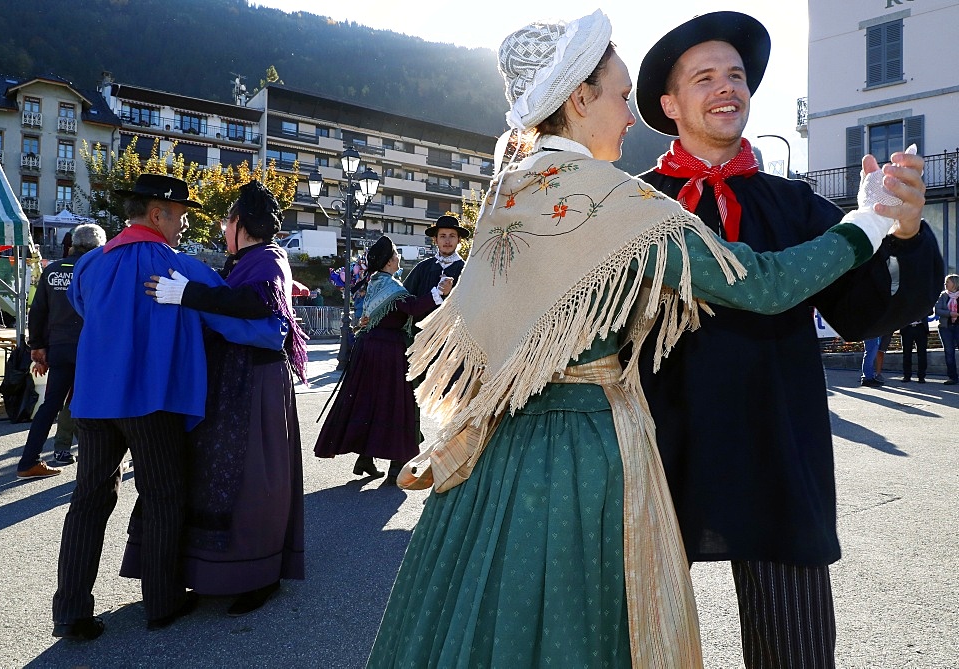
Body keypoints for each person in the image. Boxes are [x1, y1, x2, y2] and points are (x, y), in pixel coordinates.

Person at [367, 11, 911, 667]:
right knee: (587, 629)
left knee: (494, 621)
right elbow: (763, 285)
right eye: (622, 96)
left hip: (504, 456)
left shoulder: (511, 190)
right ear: (578, 99)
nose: (630, 118)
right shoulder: (611, 201)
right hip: (585, 450)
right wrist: (869, 222)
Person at [633, 11, 944, 667]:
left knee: (795, 653)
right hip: (653, 457)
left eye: (736, 75)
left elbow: (863, 310)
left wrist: (908, 233)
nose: (727, 88)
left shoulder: (796, 205)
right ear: (669, 102)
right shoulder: (630, 206)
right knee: (634, 646)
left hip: (775, 454)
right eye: (705, 76)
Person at [52, 174, 285, 640]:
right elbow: (244, 327)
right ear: (157, 213)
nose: (182, 227)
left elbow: (84, 307)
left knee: (88, 500)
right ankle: (162, 603)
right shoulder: (181, 267)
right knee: (163, 496)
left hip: (95, 398)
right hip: (153, 399)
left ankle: (71, 611)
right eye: (179, 216)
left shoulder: (90, 264)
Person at [124, 180, 309, 616]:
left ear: (241, 223)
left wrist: (188, 294)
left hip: (257, 384)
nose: (224, 228)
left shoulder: (268, 258)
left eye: (228, 219)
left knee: (254, 481)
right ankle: (209, 572)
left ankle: (259, 574)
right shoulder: (246, 259)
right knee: (215, 476)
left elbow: (253, 306)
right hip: (231, 382)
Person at [315, 235, 452, 481]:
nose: (399, 257)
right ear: (390, 261)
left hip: (369, 350)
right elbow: (412, 308)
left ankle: (366, 458)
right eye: (397, 253)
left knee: (371, 403)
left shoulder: (376, 281)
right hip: (388, 352)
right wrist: (439, 292)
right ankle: (397, 465)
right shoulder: (391, 286)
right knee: (396, 405)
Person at [15, 223, 106, 480]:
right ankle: (97, 465)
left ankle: (28, 461)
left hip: (59, 347)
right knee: (94, 404)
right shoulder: (97, 269)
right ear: (99, 247)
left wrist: (38, 347)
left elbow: (38, 311)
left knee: (51, 405)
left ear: (72, 243)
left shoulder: (52, 269)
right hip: (91, 349)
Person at [402, 214, 467, 300]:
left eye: (452, 236)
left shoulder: (466, 271)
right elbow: (404, 298)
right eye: (443, 236)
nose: (447, 241)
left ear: (459, 239)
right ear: (435, 240)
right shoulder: (422, 268)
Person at [935, 274, 959, 385]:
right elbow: (938, 310)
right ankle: (952, 377)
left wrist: (957, 314)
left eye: (947, 282)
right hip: (946, 328)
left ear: (954, 283)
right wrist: (950, 314)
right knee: (949, 352)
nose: (945, 284)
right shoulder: (943, 296)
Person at [899, 318, 929, 383]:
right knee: (906, 353)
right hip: (907, 327)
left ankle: (921, 376)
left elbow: (930, 311)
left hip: (920, 327)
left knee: (922, 353)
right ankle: (907, 376)